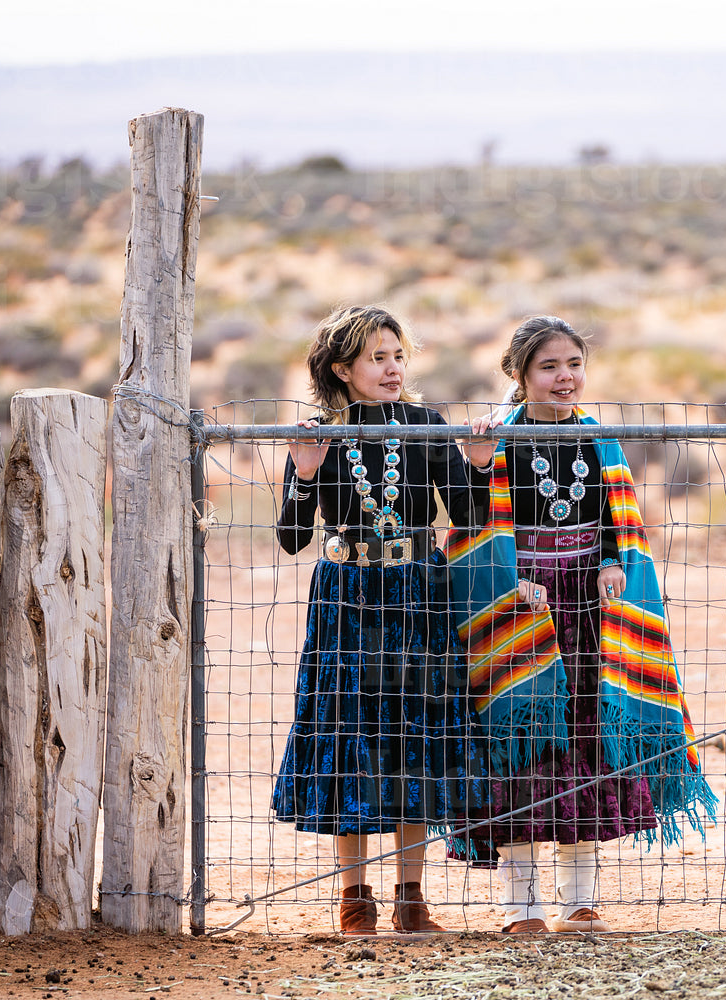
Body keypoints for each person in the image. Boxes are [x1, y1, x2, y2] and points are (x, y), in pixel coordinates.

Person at [446, 316, 717, 934]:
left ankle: (581, 901)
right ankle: (522, 908)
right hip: (517, 612)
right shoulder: (496, 440)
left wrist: (614, 563)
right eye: (549, 366)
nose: (564, 377)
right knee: (522, 748)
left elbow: (618, 523)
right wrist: (509, 580)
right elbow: (474, 528)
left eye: (573, 364)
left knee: (585, 746)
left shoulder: (601, 440)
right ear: (519, 374)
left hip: (589, 614)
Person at [271, 305, 492, 935]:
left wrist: (475, 464)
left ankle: (412, 897)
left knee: (413, 738)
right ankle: (354, 898)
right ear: (343, 369)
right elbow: (291, 538)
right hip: (347, 593)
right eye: (377, 358)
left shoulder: (427, 424)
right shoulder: (320, 434)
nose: (392, 368)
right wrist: (306, 476)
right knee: (351, 735)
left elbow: (471, 519)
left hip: (419, 593)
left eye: (398, 356)